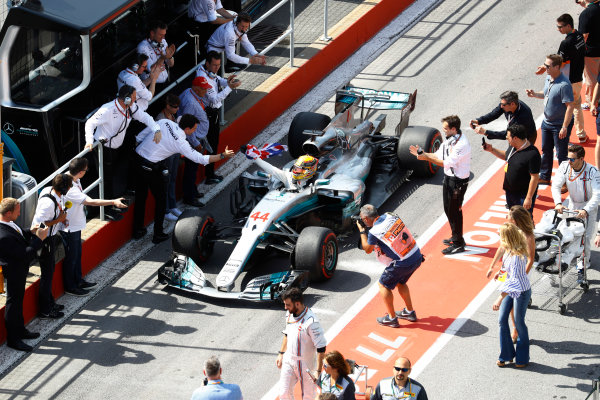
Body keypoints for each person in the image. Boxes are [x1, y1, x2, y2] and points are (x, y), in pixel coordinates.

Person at [133, 114, 234, 243]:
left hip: (137, 158)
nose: (195, 131)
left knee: (141, 197)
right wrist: (222, 155)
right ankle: (158, 234)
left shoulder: (164, 121)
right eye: (194, 129)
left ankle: (137, 230)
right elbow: (201, 159)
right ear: (187, 129)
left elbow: (141, 135)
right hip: (150, 167)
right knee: (161, 199)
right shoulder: (181, 143)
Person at [84, 84, 161, 220]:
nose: (135, 99)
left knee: (111, 176)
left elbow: (145, 117)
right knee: (106, 179)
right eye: (134, 97)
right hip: (103, 148)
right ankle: (107, 210)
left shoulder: (130, 107)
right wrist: (89, 140)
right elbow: (90, 123)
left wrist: (156, 129)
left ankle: (112, 202)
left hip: (116, 148)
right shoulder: (107, 109)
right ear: (126, 99)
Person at [61, 158, 128, 297]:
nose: (86, 172)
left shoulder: (72, 178)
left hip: (75, 225)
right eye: (85, 170)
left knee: (77, 255)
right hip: (70, 228)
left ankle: (78, 281)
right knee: (71, 258)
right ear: (80, 172)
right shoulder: (70, 188)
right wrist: (113, 202)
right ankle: (70, 286)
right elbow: (90, 201)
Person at [409, 115, 471, 254]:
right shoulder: (450, 140)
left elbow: (446, 162)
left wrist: (425, 158)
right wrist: (423, 153)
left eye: (445, 128)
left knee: (455, 211)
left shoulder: (461, 144)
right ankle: (456, 236)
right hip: (449, 178)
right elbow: (438, 155)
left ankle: (458, 243)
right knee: (448, 209)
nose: (443, 131)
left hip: (458, 182)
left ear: (453, 129)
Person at [357, 204, 423, 328]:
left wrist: (361, 231)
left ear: (365, 219)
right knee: (400, 282)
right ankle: (409, 312)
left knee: (383, 285)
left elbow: (367, 248)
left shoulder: (374, 232)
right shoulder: (390, 215)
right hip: (416, 255)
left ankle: (392, 318)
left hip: (404, 262)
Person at [0, 198, 48, 352]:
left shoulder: (8, 224)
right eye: (17, 210)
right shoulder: (3, 236)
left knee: (18, 302)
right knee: (13, 304)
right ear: (8, 213)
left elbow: (19, 236)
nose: (20, 212)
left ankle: (20, 330)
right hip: (15, 272)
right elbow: (24, 254)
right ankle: (13, 339)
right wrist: (39, 239)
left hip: (19, 270)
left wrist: (30, 231)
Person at [551, 144, 600, 284]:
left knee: (586, 238)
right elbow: (556, 185)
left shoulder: (593, 172)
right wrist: (558, 203)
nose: (569, 161)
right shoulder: (565, 166)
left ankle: (583, 267)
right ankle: (574, 256)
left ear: (581, 159)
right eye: (568, 158)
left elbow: (597, 195)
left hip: (588, 208)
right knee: (570, 235)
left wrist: (586, 210)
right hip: (572, 206)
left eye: (572, 159)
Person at [533, 14, 586, 143]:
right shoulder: (579, 35)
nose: (558, 29)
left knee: (565, 110)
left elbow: (558, 63)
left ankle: (564, 137)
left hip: (568, 81)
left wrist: (544, 68)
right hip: (578, 78)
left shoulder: (565, 43)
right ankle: (581, 134)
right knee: (577, 105)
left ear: (568, 25)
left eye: (560, 27)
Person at [486, 206, 535, 343]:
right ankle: (515, 326)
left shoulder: (528, 235)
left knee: (515, 301)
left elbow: (531, 259)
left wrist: (522, 275)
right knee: (510, 298)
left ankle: (516, 328)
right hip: (509, 268)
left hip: (522, 270)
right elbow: (502, 247)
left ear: (516, 221)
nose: (507, 219)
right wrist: (492, 266)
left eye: (510, 217)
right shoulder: (509, 230)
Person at [526, 54, 574, 186]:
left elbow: (570, 106)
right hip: (547, 123)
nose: (545, 67)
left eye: (547, 66)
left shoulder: (564, 85)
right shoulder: (549, 77)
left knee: (562, 154)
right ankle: (545, 176)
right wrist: (535, 94)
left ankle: (565, 182)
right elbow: (546, 93)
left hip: (559, 125)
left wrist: (564, 126)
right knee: (546, 150)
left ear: (557, 67)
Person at [195, 51, 242, 184]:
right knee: (211, 144)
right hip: (208, 115)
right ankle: (209, 175)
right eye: (214, 65)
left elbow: (217, 79)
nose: (217, 68)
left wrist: (227, 81)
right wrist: (230, 88)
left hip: (211, 114)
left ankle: (210, 173)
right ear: (207, 63)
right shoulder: (202, 77)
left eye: (219, 65)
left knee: (213, 144)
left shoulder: (208, 71)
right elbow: (215, 99)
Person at [31, 173, 73, 320]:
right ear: (64, 188)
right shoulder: (47, 203)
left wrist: (61, 218)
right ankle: (45, 309)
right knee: (47, 276)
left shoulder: (51, 192)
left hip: (51, 238)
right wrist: (58, 220)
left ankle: (49, 302)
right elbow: (38, 226)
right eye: (69, 186)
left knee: (50, 273)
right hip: (45, 241)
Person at [490, 223, 532, 368]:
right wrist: (500, 274)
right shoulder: (508, 251)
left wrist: (499, 298)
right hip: (511, 289)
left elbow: (514, 282)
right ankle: (506, 355)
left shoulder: (517, 257)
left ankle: (522, 358)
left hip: (521, 291)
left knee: (519, 323)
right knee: (502, 320)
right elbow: (505, 269)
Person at [276, 287, 327, 400]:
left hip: (306, 364)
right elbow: (287, 334)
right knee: (284, 394)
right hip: (289, 360)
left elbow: (321, 348)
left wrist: (318, 371)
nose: (285, 307)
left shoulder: (311, 322)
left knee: (307, 397)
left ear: (297, 304)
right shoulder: (289, 314)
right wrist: (281, 353)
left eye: (288, 305)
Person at [483, 124, 540, 214]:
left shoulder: (533, 154)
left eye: (508, 136)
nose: (506, 138)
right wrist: (492, 149)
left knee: (524, 221)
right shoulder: (513, 146)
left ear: (515, 138)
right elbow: (507, 156)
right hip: (510, 192)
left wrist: (528, 198)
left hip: (522, 195)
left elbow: (535, 177)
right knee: (513, 218)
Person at [179, 76, 212, 207]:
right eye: (204, 89)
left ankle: (192, 191)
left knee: (192, 168)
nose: (206, 91)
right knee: (191, 169)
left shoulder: (189, 92)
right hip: (194, 140)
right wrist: (196, 143)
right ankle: (189, 197)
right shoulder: (191, 103)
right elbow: (186, 124)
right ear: (197, 89)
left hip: (197, 137)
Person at [153, 93, 182, 222]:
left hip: (174, 151)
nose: (177, 109)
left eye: (177, 107)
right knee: (165, 182)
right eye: (174, 107)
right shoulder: (160, 119)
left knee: (172, 179)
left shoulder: (172, 115)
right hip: (166, 154)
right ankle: (166, 210)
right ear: (167, 106)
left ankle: (172, 205)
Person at [471, 91, 537, 144]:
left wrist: (486, 132)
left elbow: (507, 134)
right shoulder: (507, 105)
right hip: (513, 137)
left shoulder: (523, 117)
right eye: (501, 104)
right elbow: (494, 114)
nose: (501, 106)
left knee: (520, 158)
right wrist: (479, 121)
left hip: (525, 138)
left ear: (512, 104)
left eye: (503, 105)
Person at [137, 20, 175, 85]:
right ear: (152, 33)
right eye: (160, 35)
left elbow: (171, 64)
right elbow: (151, 70)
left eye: (164, 35)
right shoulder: (142, 47)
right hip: (151, 84)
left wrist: (170, 56)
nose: (163, 37)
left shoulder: (163, 41)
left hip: (166, 79)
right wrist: (162, 58)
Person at [579, 0, 600, 111]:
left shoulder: (586, 14)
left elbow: (584, 35)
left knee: (591, 79)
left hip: (591, 53)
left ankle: (593, 103)